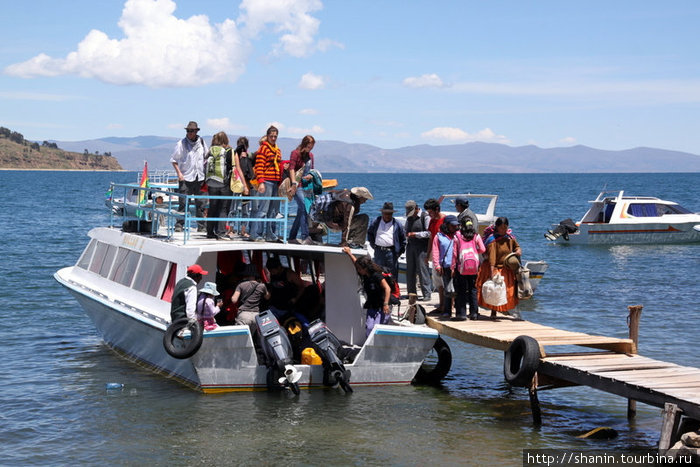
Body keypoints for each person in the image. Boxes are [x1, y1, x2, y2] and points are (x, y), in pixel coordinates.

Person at [476, 216, 522, 319]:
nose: (503, 230)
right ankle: (493, 312)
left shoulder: (510, 238)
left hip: (506, 267)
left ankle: (503, 310)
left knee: (507, 292)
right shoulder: (493, 240)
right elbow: (492, 257)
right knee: (495, 291)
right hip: (494, 267)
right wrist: (493, 272)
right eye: (501, 228)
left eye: (505, 227)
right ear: (496, 227)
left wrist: (518, 250)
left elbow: (517, 246)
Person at [342, 247, 393, 336]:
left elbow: (387, 288)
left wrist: (385, 304)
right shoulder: (365, 275)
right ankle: (369, 347)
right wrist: (349, 253)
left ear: (365, 268)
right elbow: (356, 262)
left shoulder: (376, 276)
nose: (358, 270)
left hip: (382, 307)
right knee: (369, 328)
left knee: (377, 329)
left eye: (359, 269)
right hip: (372, 306)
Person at [170, 121, 208, 232]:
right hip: (186, 177)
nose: (190, 133)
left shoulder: (201, 142)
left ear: (196, 131)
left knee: (201, 203)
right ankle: (179, 224)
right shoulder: (181, 144)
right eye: (188, 131)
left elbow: (207, 156)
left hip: (200, 177)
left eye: (192, 131)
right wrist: (179, 174)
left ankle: (201, 226)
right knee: (183, 202)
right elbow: (174, 160)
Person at [204, 132, 239, 239]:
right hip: (224, 183)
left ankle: (210, 232)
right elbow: (233, 167)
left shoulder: (210, 151)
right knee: (223, 208)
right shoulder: (229, 151)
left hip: (211, 183)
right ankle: (221, 232)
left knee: (213, 207)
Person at [252, 126, 283, 242]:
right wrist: (261, 182)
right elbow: (259, 166)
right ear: (267, 136)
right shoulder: (263, 149)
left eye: (275, 136)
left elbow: (278, 165)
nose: (274, 138)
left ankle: (270, 234)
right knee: (263, 209)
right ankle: (256, 233)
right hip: (267, 181)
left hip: (276, 182)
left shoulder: (278, 150)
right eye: (272, 136)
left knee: (273, 210)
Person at [451, 219, 486, 320]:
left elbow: (454, 254)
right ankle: (474, 313)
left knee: (461, 290)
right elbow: (483, 249)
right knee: (473, 289)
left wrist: (452, 267)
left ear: (461, 225)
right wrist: (475, 251)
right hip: (474, 267)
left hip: (461, 266)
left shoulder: (457, 236)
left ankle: (461, 314)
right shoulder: (476, 236)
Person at [367, 202, 406, 281]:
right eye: (386, 213)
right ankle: (381, 292)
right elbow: (370, 233)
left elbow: (403, 239)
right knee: (378, 274)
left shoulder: (397, 224)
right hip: (378, 251)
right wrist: (373, 245)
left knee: (392, 275)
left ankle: (393, 292)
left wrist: (399, 252)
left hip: (391, 253)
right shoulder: (376, 221)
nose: (387, 216)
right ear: (382, 213)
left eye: (389, 214)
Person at [288, 135, 316, 242]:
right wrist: (294, 184)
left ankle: (292, 236)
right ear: (304, 144)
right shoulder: (295, 153)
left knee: (301, 211)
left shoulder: (311, 156)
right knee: (303, 206)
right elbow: (291, 169)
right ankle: (305, 236)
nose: (310, 149)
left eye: (311, 147)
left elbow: (311, 170)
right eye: (308, 147)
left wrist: (311, 177)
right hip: (297, 185)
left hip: (307, 186)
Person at [265, 256, 310, 320]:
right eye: (270, 271)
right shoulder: (272, 275)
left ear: (279, 267)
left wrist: (295, 299)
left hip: (287, 307)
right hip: (274, 306)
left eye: (272, 271)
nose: (271, 273)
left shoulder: (290, 274)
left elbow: (301, 287)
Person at [403, 200, 432, 301]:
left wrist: (415, 234)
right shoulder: (409, 218)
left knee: (422, 270)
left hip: (422, 247)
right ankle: (411, 293)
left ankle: (427, 293)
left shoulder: (425, 217)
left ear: (416, 208)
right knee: (410, 270)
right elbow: (406, 229)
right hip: (410, 246)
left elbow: (429, 233)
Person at [432, 215, 459, 320]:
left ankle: (459, 310)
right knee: (447, 289)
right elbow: (435, 251)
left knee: (458, 289)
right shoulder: (439, 236)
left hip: (457, 267)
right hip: (445, 267)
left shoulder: (458, 235)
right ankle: (447, 311)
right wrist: (437, 265)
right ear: (446, 225)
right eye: (452, 225)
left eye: (456, 225)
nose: (454, 227)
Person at [424, 198, 446, 315]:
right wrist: (428, 255)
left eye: (430, 212)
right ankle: (441, 305)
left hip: (445, 255)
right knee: (438, 281)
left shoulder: (446, 220)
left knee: (446, 281)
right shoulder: (432, 221)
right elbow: (431, 238)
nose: (429, 214)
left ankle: (448, 306)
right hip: (436, 255)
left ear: (437, 209)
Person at [227, 136, 252, 238]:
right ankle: (241, 230)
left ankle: (234, 230)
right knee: (242, 209)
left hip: (239, 184)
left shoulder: (247, 156)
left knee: (235, 208)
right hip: (242, 183)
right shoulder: (236, 155)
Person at [232, 264, 270, 331]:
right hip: (256, 316)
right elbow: (267, 297)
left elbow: (234, 300)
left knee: (241, 338)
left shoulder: (241, 285)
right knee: (251, 338)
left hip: (244, 315)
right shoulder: (262, 286)